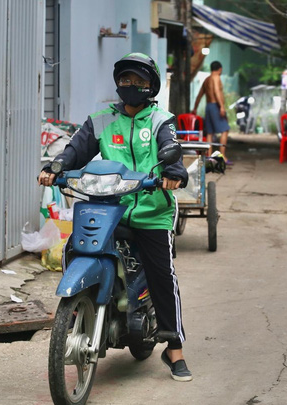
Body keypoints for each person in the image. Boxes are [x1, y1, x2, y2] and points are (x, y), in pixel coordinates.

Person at [38, 52, 192, 382]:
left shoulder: (161, 120)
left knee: (162, 274)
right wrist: (56, 168)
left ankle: (174, 346)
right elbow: (75, 150)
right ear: (117, 84)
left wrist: (174, 172)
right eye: (125, 80)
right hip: (109, 207)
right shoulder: (102, 120)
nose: (131, 86)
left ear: (151, 86)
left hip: (152, 211)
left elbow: (171, 149)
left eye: (139, 81)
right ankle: (88, 305)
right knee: (74, 250)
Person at [192, 61, 231, 163]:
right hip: (215, 106)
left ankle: (209, 157)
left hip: (208, 106)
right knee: (225, 130)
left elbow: (199, 95)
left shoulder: (206, 80)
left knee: (210, 132)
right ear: (220, 69)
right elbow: (217, 91)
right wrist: (222, 106)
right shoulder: (216, 77)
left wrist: (195, 108)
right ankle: (221, 156)